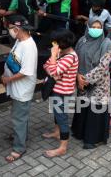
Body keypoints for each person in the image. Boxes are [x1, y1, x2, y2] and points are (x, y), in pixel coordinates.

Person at [1, 15, 38, 162]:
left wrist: (8, 79)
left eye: (10, 28)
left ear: (17, 29)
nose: (9, 31)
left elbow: (26, 71)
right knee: (20, 116)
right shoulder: (19, 40)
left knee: (19, 118)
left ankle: (19, 148)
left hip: (22, 88)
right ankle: (20, 135)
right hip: (15, 86)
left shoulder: (29, 46)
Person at [72, 17, 111, 149]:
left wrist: (86, 79)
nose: (96, 29)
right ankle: (80, 133)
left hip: (98, 82)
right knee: (83, 107)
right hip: (81, 79)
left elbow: (103, 66)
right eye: (93, 27)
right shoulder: (82, 40)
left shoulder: (106, 43)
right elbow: (75, 59)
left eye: (98, 27)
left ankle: (93, 139)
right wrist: (78, 76)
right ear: (88, 27)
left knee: (96, 110)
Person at [42, 29, 78, 157]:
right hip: (56, 90)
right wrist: (53, 70)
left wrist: (53, 57)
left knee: (62, 118)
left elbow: (55, 71)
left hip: (63, 92)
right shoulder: (62, 53)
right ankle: (56, 133)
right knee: (57, 114)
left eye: (55, 42)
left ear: (62, 42)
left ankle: (63, 147)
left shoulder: (70, 57)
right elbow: (46, 66)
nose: (53, 45)